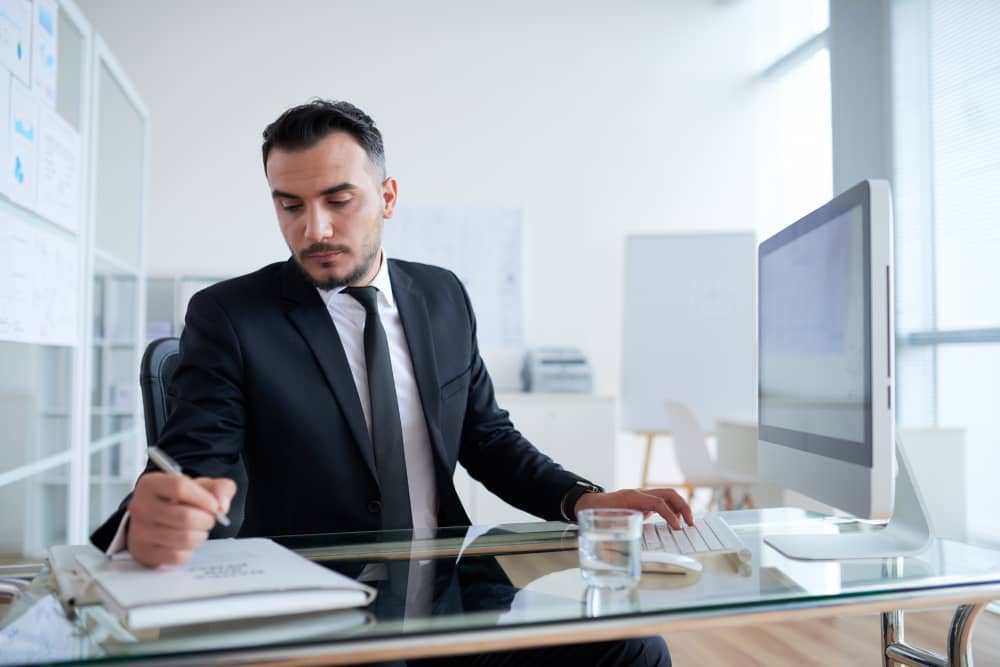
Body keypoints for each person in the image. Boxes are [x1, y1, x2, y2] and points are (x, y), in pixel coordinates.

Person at [91, 99, 691, 666]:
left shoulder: (442, 295)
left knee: (635, 650)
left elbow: (487, 438)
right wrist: (150, 519)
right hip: (317, 610)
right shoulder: (230, 315)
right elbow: (193, 460)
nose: (314, 229)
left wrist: (584, 500)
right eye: (290, 206)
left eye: (338, 199)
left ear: (388, 197)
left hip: (452, 596)